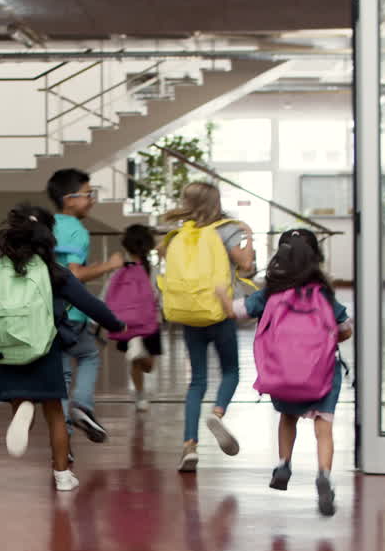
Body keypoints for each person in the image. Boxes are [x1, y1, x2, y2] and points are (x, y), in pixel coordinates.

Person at [0, 204, 125, 492]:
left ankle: (24, 409)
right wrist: (116, 325)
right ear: (47, 236)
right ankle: (62, 475)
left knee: (20, 402)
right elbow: (90, 305)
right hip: (45, 349)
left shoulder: (1, 268)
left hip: (9, 348)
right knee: (54, 412)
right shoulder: (56, 272)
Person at [223, 228, 351, 516]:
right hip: (321, 373)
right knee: (324, 427)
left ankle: (284, 463)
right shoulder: (323, 294)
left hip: (283, 373)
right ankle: (324, 475)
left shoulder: (271, 293)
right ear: (315, 258)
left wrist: (221, 294)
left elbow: (237, 311)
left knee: (288, 418)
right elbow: (345, 329)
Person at [159, 182, 255, 472]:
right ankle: (217, 412)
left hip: (190, 315)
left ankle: (189, 445)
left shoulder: (179, 234)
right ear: (216, 204)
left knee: (197, 380)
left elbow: (163, 254)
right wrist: (248, 236)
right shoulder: (226, 230)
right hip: (220, 313)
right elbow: (247, 264)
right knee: (230, 371)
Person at [46, 168, 125, 444]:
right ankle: (82, 405)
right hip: (72, 312)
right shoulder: (77, 231)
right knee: (90, 354)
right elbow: (74, 273)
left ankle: (63, 442)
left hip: (47, 312)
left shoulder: (48, 225)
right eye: (88, 194)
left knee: (63, 374)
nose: (92, 199)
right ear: (69, 199)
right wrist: (109, 265)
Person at [108, 224, 161, 411]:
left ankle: (140, 397)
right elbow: (157, 294)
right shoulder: (152, 270)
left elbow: (108, 293)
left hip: (126, 322)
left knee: (135, 364)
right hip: (151, 321)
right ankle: (140, 350)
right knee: (149, 366)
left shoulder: (120, 269)